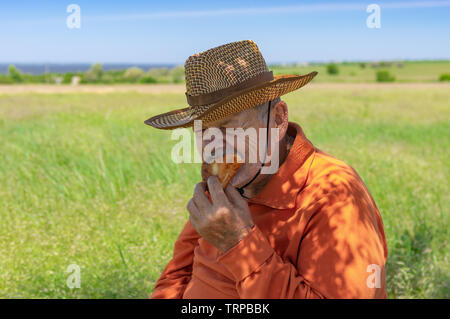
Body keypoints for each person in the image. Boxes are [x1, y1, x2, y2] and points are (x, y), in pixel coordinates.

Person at [145, 40, 388, 299]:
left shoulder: (334, 194)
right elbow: (177, 274)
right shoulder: (226, 185)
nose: (213, 145)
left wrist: (237, 241)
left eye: (228, 127)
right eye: (203, 130)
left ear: (278, 119)